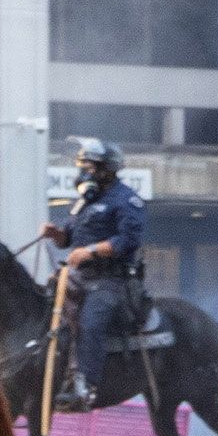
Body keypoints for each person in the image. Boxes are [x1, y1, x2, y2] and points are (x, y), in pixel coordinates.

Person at [39, 140, 149, 405]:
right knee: (42, 309)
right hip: (79, 277)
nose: (84, 171)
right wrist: (56, 234)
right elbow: (68, 239)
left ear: (107, 168)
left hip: (112, 281)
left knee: (90, 322)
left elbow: (129, 240)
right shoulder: (87, 200)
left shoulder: (126, 200)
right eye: (82, 166)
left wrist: (91, 251)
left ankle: (85, 386)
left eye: (89, 166)